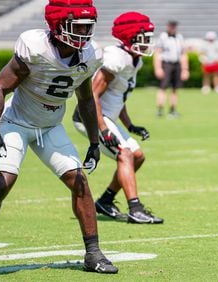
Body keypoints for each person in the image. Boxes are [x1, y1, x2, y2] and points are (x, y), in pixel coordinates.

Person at [0, 0, 120, 278]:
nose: (84, 32)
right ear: (58, 26)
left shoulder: (89, 54)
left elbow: (85, 101)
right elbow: (0, 87)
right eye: (78, 25)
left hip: (50, 127)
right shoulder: (35, 47)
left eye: (87, 26)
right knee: (2, 184)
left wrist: (94, 143)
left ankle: (93, 253)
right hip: (16, 123)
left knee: (79, 182)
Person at [73, 11, 163, 224]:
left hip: (107, 117)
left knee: (137, 156)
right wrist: (103, 129)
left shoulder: (134, 59)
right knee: (125, 154)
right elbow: (93, 94)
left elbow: (118, 98)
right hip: (90, 118)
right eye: (144, 38)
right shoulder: (117, 57)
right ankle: (135, 208)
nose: (148, 42)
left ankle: (105, 200)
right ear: (131, 37)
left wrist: (130, 125)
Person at [153, 19, 190, 118]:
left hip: (176, 64)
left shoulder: (179, 37)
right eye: (171, 26)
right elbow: (157, 53)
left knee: (175, 89)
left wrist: (185, 69)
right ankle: (160, 110)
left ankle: (173, 110)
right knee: (163, 88)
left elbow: (183, 54)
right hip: (166, 64)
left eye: (174, 26)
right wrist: (158, 68)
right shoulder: (163, 37)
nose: (173, 28)